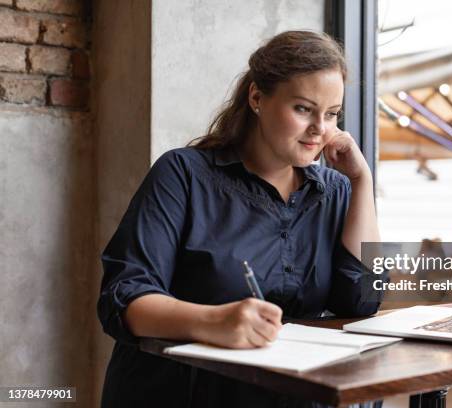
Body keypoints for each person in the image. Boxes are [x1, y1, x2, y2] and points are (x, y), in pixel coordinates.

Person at [96, 31, 383, 408]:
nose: (319, 129)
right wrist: (213, 321)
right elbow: (123, 298)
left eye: (331, 115)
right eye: (303, 109)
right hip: (183, 394)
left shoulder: (334, 190)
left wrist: (362, 182)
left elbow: (362, 300)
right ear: (257, 98)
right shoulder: (183, 174)